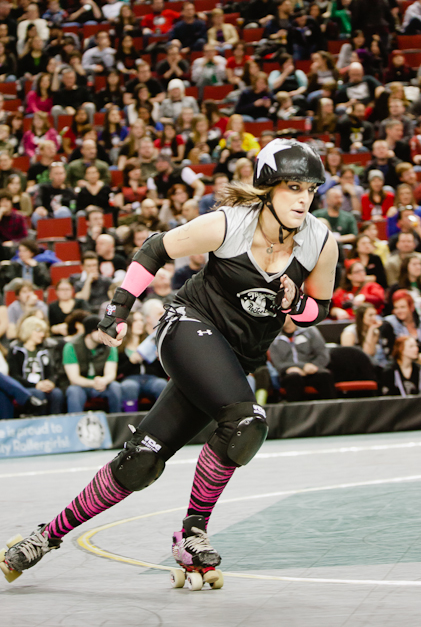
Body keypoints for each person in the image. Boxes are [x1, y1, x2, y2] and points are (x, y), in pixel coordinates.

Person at [2, 139, 338, 585]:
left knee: (140, 462)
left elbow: (322, 309)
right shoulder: (230, 223)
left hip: (234, 358)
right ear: (267, 187)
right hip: (188, 326)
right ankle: (194, 531)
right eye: (293, 186)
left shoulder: (319, 240)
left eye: (310, 189)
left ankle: (44, 536)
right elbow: (155, 248)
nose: (303, 198)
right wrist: (118, 308)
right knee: (245, 421)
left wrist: (298, 305)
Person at [269, 314, 336, 402]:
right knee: (294, 378)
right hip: (289, 373)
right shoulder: (273, 337)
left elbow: (323, 355)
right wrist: (302, 366)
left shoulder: (310, 331)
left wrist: (312, 367)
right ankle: (295, 414)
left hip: (313, 370)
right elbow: (278, 364)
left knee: (325, 375)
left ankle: (332, 409)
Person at [62, 314, 121, 414]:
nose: (105, 334)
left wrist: (103, 380)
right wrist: (93, 383)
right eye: (101, 331)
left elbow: (111, 373)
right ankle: (75, 425)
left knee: (115, 387)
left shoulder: (109, 346)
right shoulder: (72, 346)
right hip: (81, 385)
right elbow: (74, 378)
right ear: (89, 333)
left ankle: (116, 424)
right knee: (73, 391)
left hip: (102, 384)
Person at [7, 316, 64, 414]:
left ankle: (56, 424)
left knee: (57, 393)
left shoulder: (44, 351)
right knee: (38, 393)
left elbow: (51, 372)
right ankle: (41, 425)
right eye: (38, 331)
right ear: (29, 331)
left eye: (43, 332)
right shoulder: (15, 351)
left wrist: (50, 383)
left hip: (42, 385)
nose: (42, 335)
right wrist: (36, 385)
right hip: (25, 387)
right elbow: (14, 376)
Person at [118, 311, 167, 412]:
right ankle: (129, 420)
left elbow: (161, 372)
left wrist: (160, 358)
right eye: (136, 321)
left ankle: (163, 419)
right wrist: (131, 361)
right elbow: (118, 372)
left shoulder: (150, 342)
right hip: (131, 379)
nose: (140, 323)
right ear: (129, 324)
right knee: (129, 386)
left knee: (161, 384)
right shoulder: (120, 346)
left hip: (151, 378)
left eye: (141, 320)